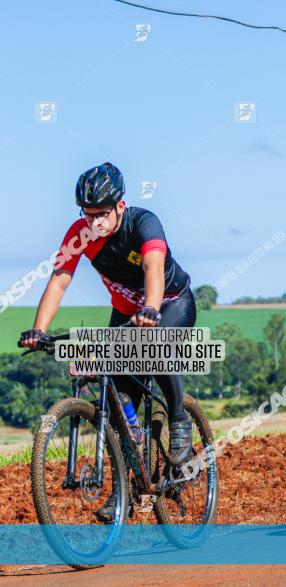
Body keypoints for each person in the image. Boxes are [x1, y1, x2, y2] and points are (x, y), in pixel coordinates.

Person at [18, 162, 196, 521]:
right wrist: (38, 330)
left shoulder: (143, 222)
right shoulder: (79, 234)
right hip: (125, 313)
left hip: (169, 302)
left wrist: (150, 307)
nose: (95, 223)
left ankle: (178, 418)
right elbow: (59, 280)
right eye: (88, 215)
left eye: (101, 214)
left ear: (119, 206)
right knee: (117, 399)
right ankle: (124, 488)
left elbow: (153, 270)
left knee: (154, 346)